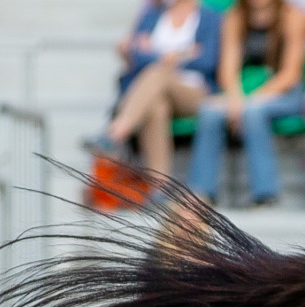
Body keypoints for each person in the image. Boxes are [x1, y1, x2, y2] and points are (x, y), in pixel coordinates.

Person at [188, 0, 305, 206]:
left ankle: (265, 193)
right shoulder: (234, 16)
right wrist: (236, 100)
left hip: (283, 91)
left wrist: (249, 101)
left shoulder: (293, 16)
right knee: (210, 111)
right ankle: (202, 193)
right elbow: (228, 69)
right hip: (246, 88)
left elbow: (291, 73)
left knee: (253, 112)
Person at [93, 0, 222, 182]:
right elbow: (136, 56)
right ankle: (159, 186)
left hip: (193, 91)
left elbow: (208, 60)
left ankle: (115, 133)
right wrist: (181, 54)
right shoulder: (151, 15)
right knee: (156, 106)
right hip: (155, 90)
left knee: (158, 72)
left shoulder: (210, 18)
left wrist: (161, 54)